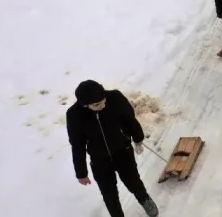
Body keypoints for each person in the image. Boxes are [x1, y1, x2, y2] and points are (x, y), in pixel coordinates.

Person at [66, 80, 159, 217]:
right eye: (97, 104)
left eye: (103, 100)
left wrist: (138, 139)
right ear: (85, 105)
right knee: (109, 193)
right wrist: (81, 172)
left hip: (123, 151)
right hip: (99, 160)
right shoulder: (74, 115)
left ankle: (145, 200)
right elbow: (77, 145)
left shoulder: (115, 98)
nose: (103, 105)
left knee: (133, 181)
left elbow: (130, 119)